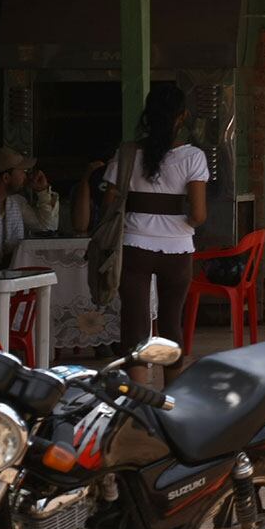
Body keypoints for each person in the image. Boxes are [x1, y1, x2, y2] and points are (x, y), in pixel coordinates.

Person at [104, 83, 209, 379]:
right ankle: (171, 396)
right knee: (171, 322)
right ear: (182, 116)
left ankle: (138, 400)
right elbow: (199, 215)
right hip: (177, 249)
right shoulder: (193, 157)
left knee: (136, 324)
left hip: (134, 247)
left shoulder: (127, 153)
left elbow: (110, 202)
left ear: (148, 115)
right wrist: (181, 222)